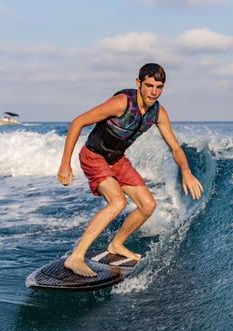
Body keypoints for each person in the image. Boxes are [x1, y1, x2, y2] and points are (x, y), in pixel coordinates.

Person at [57, 63, 204, 277]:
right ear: (139, 83)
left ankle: (116, 244)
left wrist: (186, 171)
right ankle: (76, 257)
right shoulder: (121, 103)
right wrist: (65, 163)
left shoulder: (158, 113)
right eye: (149, 85)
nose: (154, 92)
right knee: (118, 201)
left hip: (117, 160)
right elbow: (77, 122)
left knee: (147, 205)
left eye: (159, 87)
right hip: (94, 156)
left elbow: (175, 147)